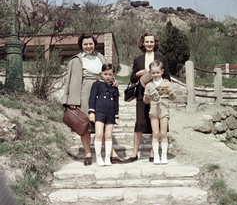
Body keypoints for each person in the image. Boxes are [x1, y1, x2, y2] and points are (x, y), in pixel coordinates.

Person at [62, 33, 126, 166]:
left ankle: (112, 154)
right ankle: (88, 154)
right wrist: (71, 99)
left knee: (100, 123)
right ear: (81, 45)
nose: (88, 46)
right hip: (84, 92)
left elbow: (108, 72)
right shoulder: (76, 60)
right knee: (85, 126)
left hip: (102, 90)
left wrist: (113, 82)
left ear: (95, 44)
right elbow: (70, 81)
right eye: (85, 44)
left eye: (91, 43)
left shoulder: (100, 57)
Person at [127, 33, 171, 163]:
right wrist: (137, 74)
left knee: (156, 123)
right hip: (142, 94)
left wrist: (162, 89)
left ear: (155, 43)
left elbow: (167, 76)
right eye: (147, 42)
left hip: (159, 97)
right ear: (143, 43)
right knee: (139, 123)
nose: (149, 44)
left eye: (152, 42)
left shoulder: (162, 58)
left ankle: (153, 152)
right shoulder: (138, 59)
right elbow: (131, 78)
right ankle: (135, 152)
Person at [143, 60, 176, 164]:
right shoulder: (149, 85)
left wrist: (171, 93)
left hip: (164, 111)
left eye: (157, 72)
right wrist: (147, 98)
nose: (155, 75)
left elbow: (173, 98)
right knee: (155, 133)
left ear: (162, 71)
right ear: (150, 73)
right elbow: (145, 100)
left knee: (163, 133)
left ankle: (164, 155)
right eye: (153, 73)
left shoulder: (166, 83)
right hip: (153, 111)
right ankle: (156, 156)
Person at [89, 64, 119, 166]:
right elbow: (92, 99)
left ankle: (107, 158)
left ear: (113, 75)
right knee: (99, 135)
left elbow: (116, 102)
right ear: (101, 74)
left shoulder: (114, 87)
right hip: (99, 113)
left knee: (108, 136)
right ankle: (98, 157)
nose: (107, 76)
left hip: (110, 114)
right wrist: (91, 112)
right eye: (105, 74)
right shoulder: (97, 84)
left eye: (110, 74)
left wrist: (116, 116)